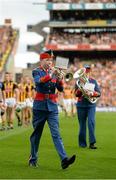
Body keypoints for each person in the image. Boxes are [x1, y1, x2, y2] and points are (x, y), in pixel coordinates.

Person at [29, 49, 76, 169]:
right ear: (42, 60)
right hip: (39, 107)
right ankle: (33, 158)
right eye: (47, 60)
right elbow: (39, 82)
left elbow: (59, 89)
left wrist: (59, 79)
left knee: (56, 134)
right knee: (36, 134)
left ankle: (64, 159)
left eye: (51, 60)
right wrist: (51, 75)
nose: (50, 62)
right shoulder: (36, 71)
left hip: (52, 106)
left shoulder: (54, 71)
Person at [75, 64, 101, 149]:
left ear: (90, 71)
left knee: (91, 122)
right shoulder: (78, 82)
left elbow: (98, 93)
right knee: (82, 125)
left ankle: (92, 143)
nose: (87, 71)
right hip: (81, 105)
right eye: (85, 69)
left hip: (91, 105)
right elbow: (76, 94)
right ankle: (82, 144)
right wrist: (81, 90)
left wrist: (92, 93)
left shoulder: (93, 81)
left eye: (88, 69)